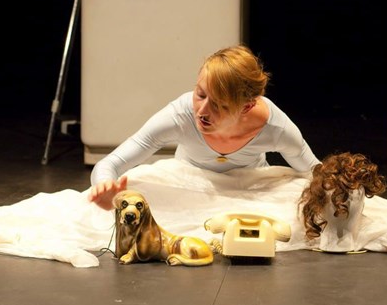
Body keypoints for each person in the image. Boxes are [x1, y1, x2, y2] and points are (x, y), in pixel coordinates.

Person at [88, 44, 321, 210]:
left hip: (248, 194)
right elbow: (110, 164)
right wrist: (104, 187)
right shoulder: (181, 115)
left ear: (247, 106)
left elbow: (316, 173)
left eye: (219, 105)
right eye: (200, 94)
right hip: (187, 190)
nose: (202, 111)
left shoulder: (275, 128)